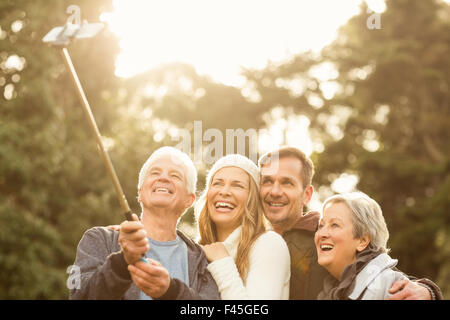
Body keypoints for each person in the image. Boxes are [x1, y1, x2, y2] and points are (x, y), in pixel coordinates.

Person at [258, 146, 442, 300]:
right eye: (267, 181)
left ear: (307, 194)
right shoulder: (248, 241)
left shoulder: (324, 239)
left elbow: (379, 274)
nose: (275, 191)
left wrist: (428, 291)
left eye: (287, 183)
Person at [69, 146, 219, 299]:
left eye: (175, 176)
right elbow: (79, 296)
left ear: (189, 200)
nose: (163, 178)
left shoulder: (203, 261)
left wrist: (171, 291)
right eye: (155, 172)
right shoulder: (100, 239)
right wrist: (122, 262)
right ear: (140, 192)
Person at [196, 154, 290, 299]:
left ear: (252, 199)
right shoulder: (197, 250)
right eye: (218, 183)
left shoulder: (269, 244)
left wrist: (222, 262)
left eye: (237, 185)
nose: (224, 191)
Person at [315, 192, 407, 299]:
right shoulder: (330, 289)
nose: (321, 234)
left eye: (335, 225)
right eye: (321, 226)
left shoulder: (393, 287)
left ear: (362, 241)